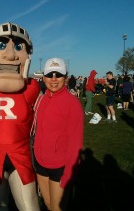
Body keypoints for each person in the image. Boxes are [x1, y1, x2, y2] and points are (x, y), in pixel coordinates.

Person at [0, 22, 41, 211]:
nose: (11, 55)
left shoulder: (31, 89)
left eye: (19, 47)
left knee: (30, 207)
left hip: (21, 157)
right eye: (2, 46)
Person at [33, 58, 83, 211]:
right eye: (50, 74)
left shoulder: (73, 103)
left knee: (57, 208)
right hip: (40, 163)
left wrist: (69, 173)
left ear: (65, 78)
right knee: (47, 204)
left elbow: (76, 143)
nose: (54, 79)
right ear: (44, 78)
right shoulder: (41, 99)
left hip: (60, 166)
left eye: (58, 74)